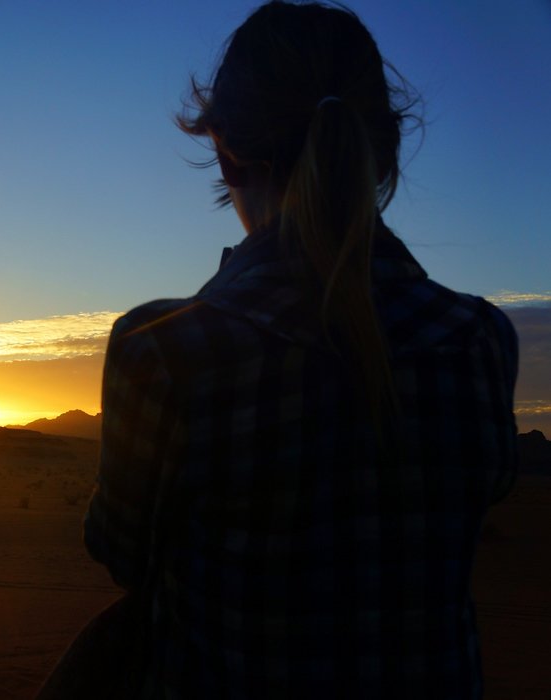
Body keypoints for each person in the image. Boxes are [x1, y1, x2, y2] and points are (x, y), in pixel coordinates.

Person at [51, 2, 519, 698]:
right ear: (384, 150)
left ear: (227, 152)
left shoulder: (168, 351)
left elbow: (120, 551)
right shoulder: (481, 341)